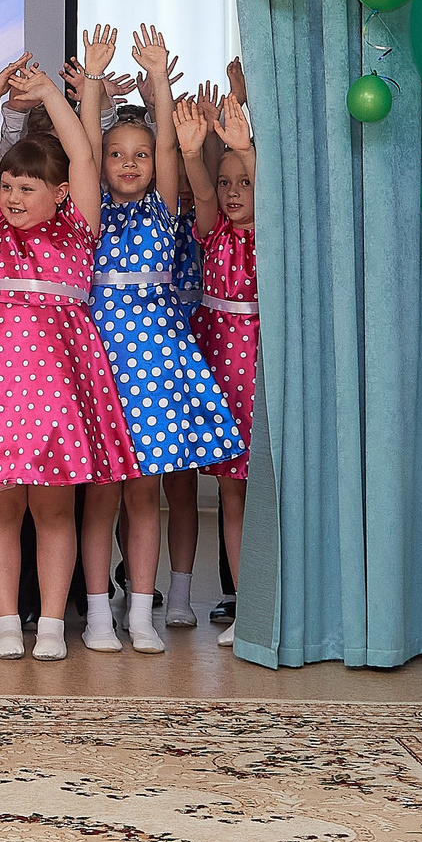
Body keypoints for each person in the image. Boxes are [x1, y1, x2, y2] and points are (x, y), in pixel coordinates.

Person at [0, 63, 136, 661]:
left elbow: (85, 160)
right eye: (8, 186)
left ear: (59, 193)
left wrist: (48, 97)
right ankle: (9, 621)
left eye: (26, 188)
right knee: (0, 504)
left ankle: (50, 626)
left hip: (57, 389)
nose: (11, 197)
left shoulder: (78, 228)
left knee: (55, 506)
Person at [79, 25, 244, 654]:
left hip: (156, 359)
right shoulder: (89, 210)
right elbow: (86, 151)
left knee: (146, 491)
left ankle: (142, 613)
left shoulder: (162, 206)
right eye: (118, 154)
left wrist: (158, 83)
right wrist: (95, 79)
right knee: (101, 494)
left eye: (140, 154)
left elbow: (172, 152)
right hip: (98, 356)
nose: (128, 163)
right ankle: (99, 614)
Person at [176, 92, 258, 649]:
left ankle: (280, 597)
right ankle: (246, 606)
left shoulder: (272, 232)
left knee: (268, 488)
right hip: (219, 371)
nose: (230, 192)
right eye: (225, 182)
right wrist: (193, 153)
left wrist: (243, 147)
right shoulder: (213, 231)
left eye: (243, 182)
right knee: (231, 493)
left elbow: (262, 183)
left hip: (262, 370)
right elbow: (201, 187)